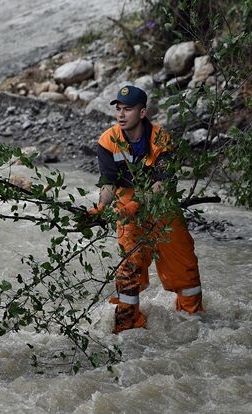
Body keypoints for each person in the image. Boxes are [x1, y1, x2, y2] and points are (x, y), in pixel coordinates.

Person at [87, 85, 203, 333]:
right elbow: (108, 182)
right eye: (118, 109)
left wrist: (138, 203)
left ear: (142, 112)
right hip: (127, 208)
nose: (121, 114)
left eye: (127, 109)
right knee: (129, 270)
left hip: (162, 208)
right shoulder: (108, 140)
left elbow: (164, 181)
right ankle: (128, 328)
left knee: (185, 268)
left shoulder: (161, 139)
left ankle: (193, 322)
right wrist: (100, 206)